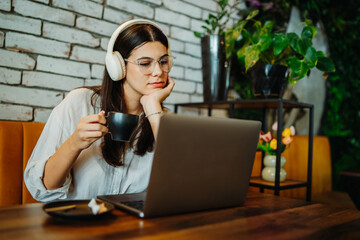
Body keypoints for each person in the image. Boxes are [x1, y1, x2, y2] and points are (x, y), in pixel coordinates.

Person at [24, 19, 175, 202]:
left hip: (131, 226)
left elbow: (184, 186)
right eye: (145, 63)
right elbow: (44, 189)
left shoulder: (162, 120)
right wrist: (75, 143)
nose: (158, 71)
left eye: (163, 61)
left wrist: (153, 108)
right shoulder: (80, 102)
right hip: (77, 223)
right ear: (118, 66)